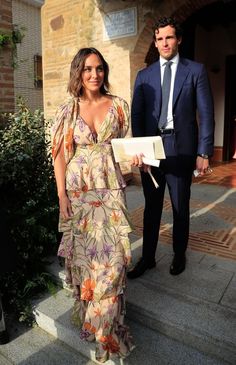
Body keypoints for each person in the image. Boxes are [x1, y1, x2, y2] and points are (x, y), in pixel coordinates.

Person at [51, 47, 134, 363]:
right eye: (87, 69)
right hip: (79, 195)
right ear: (78, 72)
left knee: (113, 265)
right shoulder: (68, 110)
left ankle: (108, 332)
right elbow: (59, 155)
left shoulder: (119, 107)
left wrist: (136, 158)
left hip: (110, 192)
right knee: (88, 266)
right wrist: (61, 197)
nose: (94, 74)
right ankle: (100, 331)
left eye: (99, 68)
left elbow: (123, 149)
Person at [128, 16, 215, 279]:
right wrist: (139, 150)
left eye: (169, 37)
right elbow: (137, 116)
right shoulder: (144, 76)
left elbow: (206, 112)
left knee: (180, 206)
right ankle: (148, 258)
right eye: (160, 38)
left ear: (178, 40)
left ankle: (179, 254)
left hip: (182, 149)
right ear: (155, 42)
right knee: (151, 207)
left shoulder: (195, 71)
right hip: (151, 150)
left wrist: (204, 152)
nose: (164, 43)